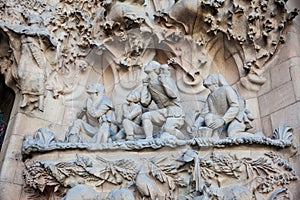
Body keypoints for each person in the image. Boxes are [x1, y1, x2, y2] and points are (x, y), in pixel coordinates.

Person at [190, 74, 253, 138]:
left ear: (214, 81)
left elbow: (235, 106)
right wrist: (195, 126)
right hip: (221, 119)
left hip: (236, 118)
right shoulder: (210, 97)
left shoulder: (226, 89)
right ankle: (216, 136)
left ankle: (257, 137)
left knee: (232, 134)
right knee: (208, 117)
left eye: (210, 77)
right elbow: (203, 115)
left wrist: (223, 120)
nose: (206, 79)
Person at [140, 61, 185, 140]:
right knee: (145, 116)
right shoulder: (150, 84)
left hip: (174, 111)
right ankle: (149, 139)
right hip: (163, 111)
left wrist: (164, 81)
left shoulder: (164, 79)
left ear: (154, 68)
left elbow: (173, 95)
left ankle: (185, 140)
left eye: (149, 64)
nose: (146, 65)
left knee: (168, 130)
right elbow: (144, 102)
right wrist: (144, 86)